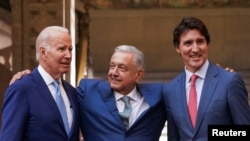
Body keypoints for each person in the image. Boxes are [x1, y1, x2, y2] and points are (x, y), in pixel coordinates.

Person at [7, 45, 167, 141]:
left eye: (122, 68)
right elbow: (56, 97)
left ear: (139, 74)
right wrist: (29, 81)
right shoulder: (88, 91)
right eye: (112, 66)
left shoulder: (160, 95)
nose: (113, 72)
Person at [163, 16, 250, 141]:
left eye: (200, 41)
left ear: (207, 44)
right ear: (178, 48)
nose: (195, 49)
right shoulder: (170, 90)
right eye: (188, 43)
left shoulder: (230, 81)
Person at [0, 26, 80, 141]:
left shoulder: (72, 92)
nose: (68, 55)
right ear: (43, 52)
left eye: (70, 49)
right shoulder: (21, 88)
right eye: (61, 49)